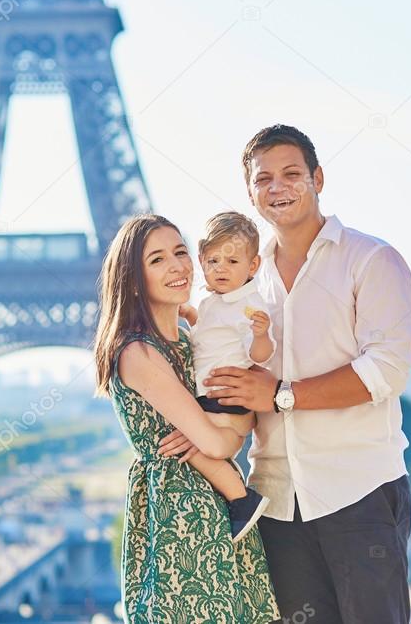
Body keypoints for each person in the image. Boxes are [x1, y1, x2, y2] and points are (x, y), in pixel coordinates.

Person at [203, 124, 411, 624]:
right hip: (277, 502)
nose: (277, 187)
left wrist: (280, 395)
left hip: (359, 492)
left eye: (291, 174)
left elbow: (386, 370)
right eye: (264, 179)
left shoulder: (372, 260)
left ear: (318, 178)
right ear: (251, 193)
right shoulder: (245, 281)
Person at [93, 214, 279, 623]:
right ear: (134, 277)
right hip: (180, 515)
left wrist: (224, 431)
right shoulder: (138, 353)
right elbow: (221, 443)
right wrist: (220, 437)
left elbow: (240, 417)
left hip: (221, 513)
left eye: (180, 252)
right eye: (157, 259)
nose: (177, 266)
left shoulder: (190, 340)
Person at [178, 210, 276, 540]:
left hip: (223, 402)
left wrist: (262, 335)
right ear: (202, 260)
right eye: (214, 260)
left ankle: (242, 500)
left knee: (192, 451)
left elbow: (257, 353)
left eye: (233, 262)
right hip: (213, 399)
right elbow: (211, 338)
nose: (221, 268)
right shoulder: (212, 302)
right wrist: (191, 315)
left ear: (253, 267)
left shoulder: (249, 305)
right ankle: (229, 500)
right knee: (197, 453)